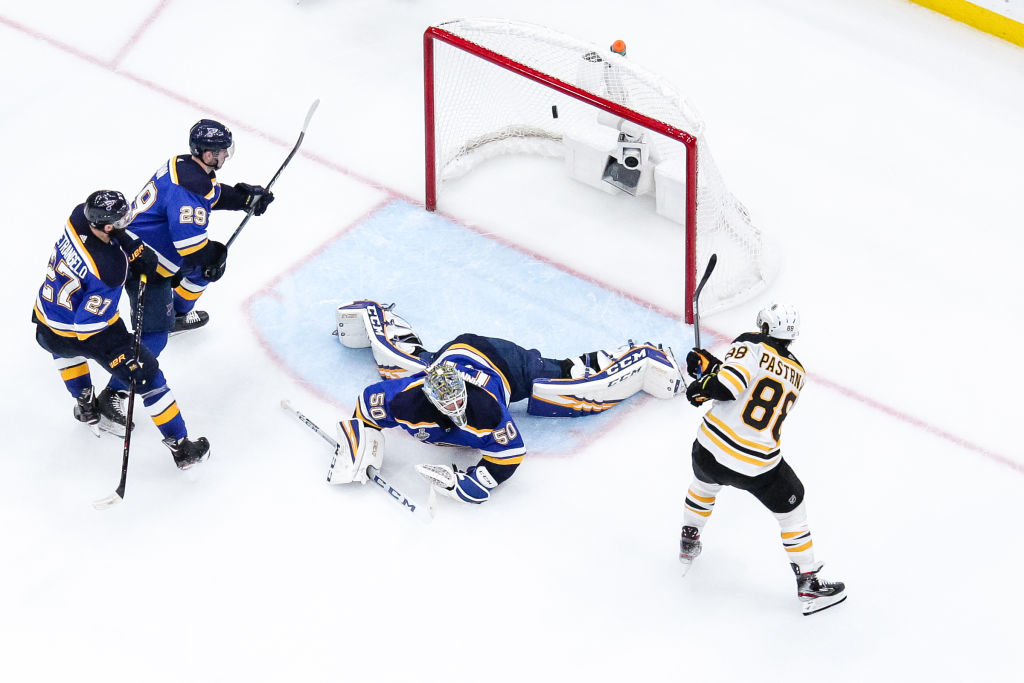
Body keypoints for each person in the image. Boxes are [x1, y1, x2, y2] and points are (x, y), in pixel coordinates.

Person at [329, 300, 685, 503]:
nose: (456, 410)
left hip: (504, 363)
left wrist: (468, 484)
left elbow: (510, 453)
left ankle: (640, 356)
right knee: (398, 363)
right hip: (451, 355)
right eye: (447, 404)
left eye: (458, 402)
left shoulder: (487, 410)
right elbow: (367, 406)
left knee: (569, 386)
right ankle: (374, 315)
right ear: (431, 396)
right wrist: (361, 440)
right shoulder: (405, 399)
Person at [97, 119, 274, 424]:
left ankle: (177, 314)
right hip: (143, 265)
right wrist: (214, 256)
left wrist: (243, 199)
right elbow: (190, 247)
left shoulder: (183, 166)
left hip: (150, 251)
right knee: (155, 336)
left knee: (202, 271)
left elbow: (212, 194)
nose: (225, 156)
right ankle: (114, 393)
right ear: (206, 154)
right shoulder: (187, 187)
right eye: (220, 151)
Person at [679, 303, 846, 615]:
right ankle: (808, 582)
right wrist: (712, 367)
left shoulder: (750, 343)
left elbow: (729, 386)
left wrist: (701, 384)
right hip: (757, 465)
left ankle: (689, 540)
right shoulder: (798, 374)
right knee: (793, 511)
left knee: (703, 485)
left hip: (710, 450)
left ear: (765, 327)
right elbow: (748, 387)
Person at [31, 190, 210, 469]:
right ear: (106, 226)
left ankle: (85, 403)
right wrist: (121, 359)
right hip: (86, 327)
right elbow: (88, 327)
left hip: (46, 320)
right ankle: (181, 446)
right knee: (149, 377)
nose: (126, 220)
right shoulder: (110, 269)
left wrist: (132, 247)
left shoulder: (79, 216)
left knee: (62, 347)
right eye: (120, 219)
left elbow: (116, 236)